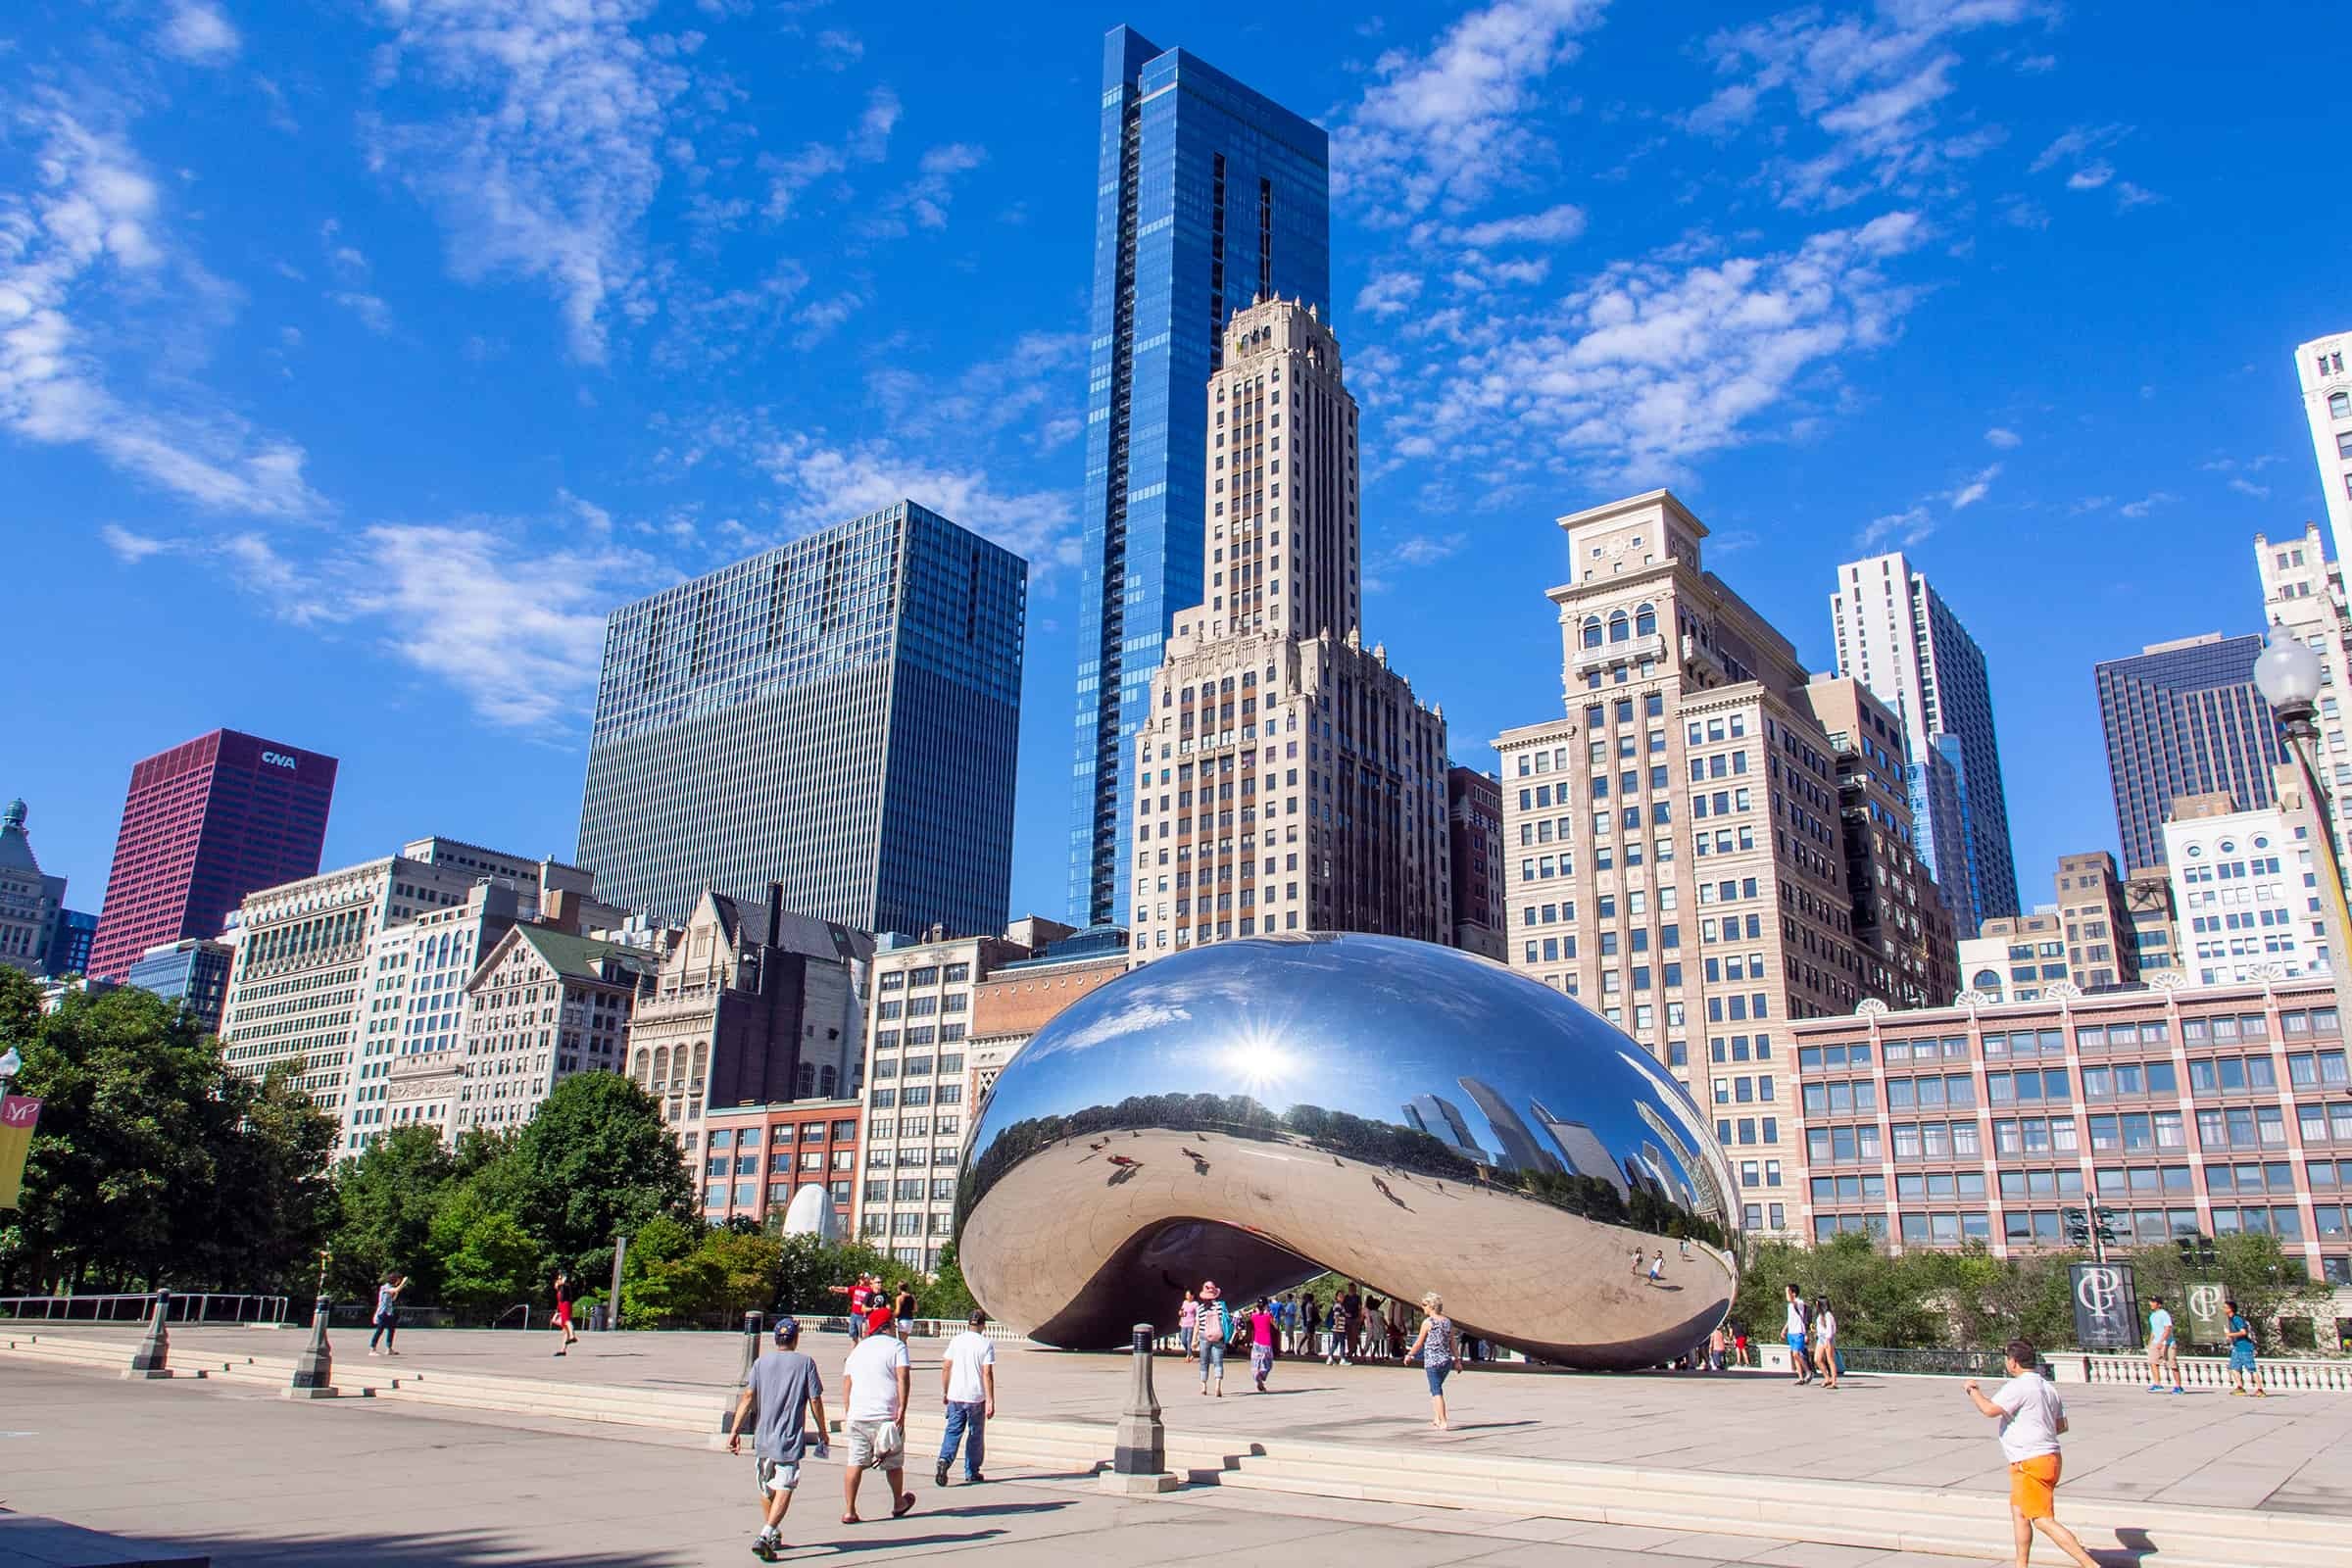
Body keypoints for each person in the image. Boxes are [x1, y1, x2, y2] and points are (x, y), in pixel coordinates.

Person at [1963, 1340, 2101, 1568]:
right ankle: (2021, 1564)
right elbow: (2061, 1426)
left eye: (2008, 1359)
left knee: (2043, 1520)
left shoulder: (2019, 1386)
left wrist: (1972, 1389)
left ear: (2013, 1362)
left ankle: (2090, 1565)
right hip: (2046, 1458)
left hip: (2031, 1461)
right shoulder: (2048, 1388)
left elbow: (1989, 1409)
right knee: (2020, 1512)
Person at [726, 1315, 830, 1563]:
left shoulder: (761, 1363)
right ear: (795, 1338)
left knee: (767, 1486)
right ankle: (765, 1534)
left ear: (776, 1339)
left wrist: (734, 1431)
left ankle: (772, 1531)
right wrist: (823, 1432)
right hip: (788, 1438)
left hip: (763, 1436)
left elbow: (749, 1395)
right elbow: (815, 1399)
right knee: (785, 1485)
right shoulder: (805, 1363)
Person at [840, 1306, 916, 1523]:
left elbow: (847, 1383)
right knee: (893, 1461)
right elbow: (903, 1377)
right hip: (885, 1414)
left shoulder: (858, 1350)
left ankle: (850, 1510)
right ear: (887, 1326)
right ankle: (898, 1502)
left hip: (858, 1414)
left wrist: (848, 1410)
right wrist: (903, 1406)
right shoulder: (897, 1346)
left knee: (855, 1461)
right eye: (893, 1323)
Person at [935, 1308, 996, 1488]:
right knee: (975, 1434)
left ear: (968, 1323)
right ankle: (972, 1471)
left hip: (956, 1394)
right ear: (983, 1325)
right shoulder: (985, 1344)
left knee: (953, 1430)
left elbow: (946, 1366)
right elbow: (987, 1373)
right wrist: (990, 1399)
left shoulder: (957, 1340)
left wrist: (945, 1391)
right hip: (976, 1396)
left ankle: (944, 1460)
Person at [1402, 1290, 1457, 1431]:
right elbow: (1453, 1343)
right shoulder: (1447, 1322)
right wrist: (1457, 1360)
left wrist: (1409, 1355)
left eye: (1425, 1304)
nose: (1423, 1307)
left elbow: (1419, 1343)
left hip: (1432, 1362)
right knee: (1435, 1388)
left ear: (1432, 1306)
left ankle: (1443, 1420)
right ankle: (1437, 1418)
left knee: (1436, 1391)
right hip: (1446, 1361)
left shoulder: (1428, 1323)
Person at [2224, 1298, 2268, 1396]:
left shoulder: (2237, 1319)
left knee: (2251, 1368)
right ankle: (2240, 1387)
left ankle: (2260, 1389)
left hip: (2244, 1347)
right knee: (2233, 1367)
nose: (2224, 1309)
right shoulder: (2229, 1319)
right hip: (2236, 1347)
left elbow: (2243, 1332)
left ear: (2231, 1309)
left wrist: (2230, 1334)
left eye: (2226, 1307)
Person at [1197, 1280, 1233, 1396]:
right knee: (1218, 1362)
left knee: (1204, 1361)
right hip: (1218, 1336)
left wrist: (1193, 1340)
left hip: (1204, 1336)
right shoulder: (1220, 1306)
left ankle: (1203, 1386)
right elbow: (1225, 1321)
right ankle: (1218, 1386)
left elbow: (1197, 1324)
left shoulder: (1200, 1308)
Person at [2145, 1297, 2183, 1394]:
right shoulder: (2152, 1315)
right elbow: (2154, 1330)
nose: (2151, 1303)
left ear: (2159, 1304)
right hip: (2155, 1343)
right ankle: (2157, 1384)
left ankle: (2178, 1387)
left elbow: (2168, 1329)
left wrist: (2161, 1341)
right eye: (2151, 1301)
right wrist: (2150, 1343)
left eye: (2153, 1302)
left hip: (2168, 1343)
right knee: (2153, 1362)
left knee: (2172, 1364)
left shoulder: (2164, 1314)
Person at [368, 1273, 407, 1356]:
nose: (398, 1282)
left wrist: (397, 1291)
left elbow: (393, 1299)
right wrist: (403, 1282)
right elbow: (395, 1290)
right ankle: (372, 1349)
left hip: (389, 1312)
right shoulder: (385, 1287)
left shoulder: (390, 1287)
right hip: (383, 1312)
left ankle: (389, 1348)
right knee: (379, 1330)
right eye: (398, 1280)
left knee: (391, 1330)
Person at [1783, 1283, 1810, 1386]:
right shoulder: (1789, 1306)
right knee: (1795, 1356)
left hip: (1799, 1331)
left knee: (1796, 1354)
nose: (1786, 1294)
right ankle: (1800, 1377)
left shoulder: (1799, 1302)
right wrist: (1784, 1329)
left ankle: (1808, 1371)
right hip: (1791, 1332)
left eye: (1788, 1292)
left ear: (1793, 1293)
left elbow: (1793, 1302)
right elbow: (1790, 1319)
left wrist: (1788, 1293)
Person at [1811, 1297, 1840, 1389]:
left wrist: (1828, 1339)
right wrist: (1815, 1331)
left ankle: (1834, 1382)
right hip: (1821, 1338)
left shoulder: (1828, 1315)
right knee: (1817, 1359)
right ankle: (1827, 1377)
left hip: (1828, 1339)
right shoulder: (1820, 1315)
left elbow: (1831, 1329)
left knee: (1830, 1360)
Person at [552, 1269, 578, 1356]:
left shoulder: (565, 1285)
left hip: (565, 1304)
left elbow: (562, 1282)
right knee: (563, 1326)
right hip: (561, 1306)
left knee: (567, 1321)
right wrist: (557, 1311)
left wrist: (563, 1278)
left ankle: (572, 1336)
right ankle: (563, 1350)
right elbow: (557, 1285)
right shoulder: (560, 1287)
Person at [1178, 1288, 1200, 1361]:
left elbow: (1198, 1314)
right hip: (1184, 1323)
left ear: (1192, 1296)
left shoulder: (1195, 1304)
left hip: (1191, 1324)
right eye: (1186, 1295)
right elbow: (1182, 1310)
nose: (1187, 1296)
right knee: (1183, 1340)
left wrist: (1197, 1323)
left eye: (1188, 1295)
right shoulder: (1184, 1302)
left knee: (1189, 1340)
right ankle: (1190, 1353)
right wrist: (1180, 1314)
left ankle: (1188, 1356)